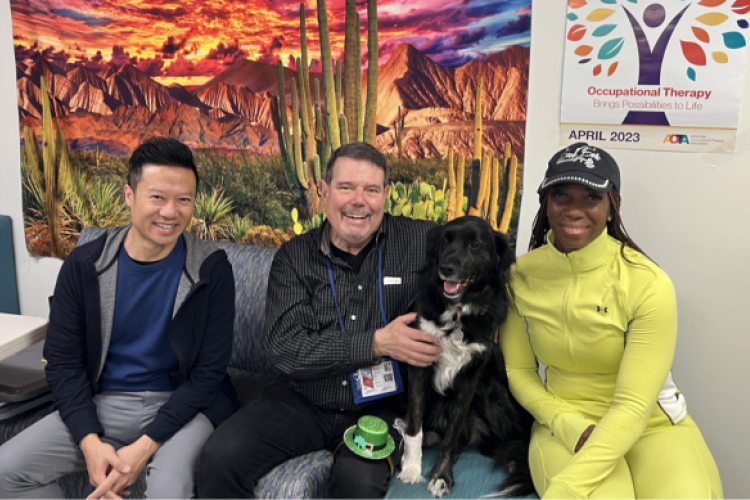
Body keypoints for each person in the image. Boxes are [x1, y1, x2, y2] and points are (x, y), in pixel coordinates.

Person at [197, 142, 442, 499]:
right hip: (302, 401)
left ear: (386, 195)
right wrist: (376, 343)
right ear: (324, 191)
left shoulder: (421, 242)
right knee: (218, 457)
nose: (359, 201)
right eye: (346, 188)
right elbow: (285, 349)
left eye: (371, 190)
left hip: (384, 406)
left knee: (358, 481)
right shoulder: (294, 258)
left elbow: (475, 258)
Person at [0, 138, 239, 499]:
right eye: (157, 197)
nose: (170, 212)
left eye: (184, 200)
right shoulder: (84, 265)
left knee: (166, 491)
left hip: (183, 406)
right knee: (7, 472)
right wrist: (90, 442)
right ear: (130, 195)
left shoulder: (211, 268)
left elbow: (208, 375)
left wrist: (142, 449)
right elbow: (63, 363)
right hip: (104, 401)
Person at [500, 142, 723, 499]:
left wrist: (566, 489)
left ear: (611, 205)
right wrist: (565, 422)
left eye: (591, 197)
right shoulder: (518, 278)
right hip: (566, 424)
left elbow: (633, 406)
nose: (574, 210)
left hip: (652, 425)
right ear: (546, 202)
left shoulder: (647, 282)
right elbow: (520, 373)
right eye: (561, 195)